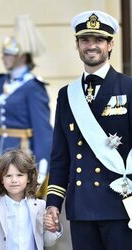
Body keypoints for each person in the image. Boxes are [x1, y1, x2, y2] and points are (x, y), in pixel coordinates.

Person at [45, 10, 132, 250]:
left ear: (110, 44)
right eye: (85, 40)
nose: (91, 46)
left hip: (121, 205)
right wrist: (53, 203)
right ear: (77, 45)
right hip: (82, 208)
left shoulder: (129, 88)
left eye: (98, 40)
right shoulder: (66, 95)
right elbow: (60, 157)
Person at [0, 15, 53, 197]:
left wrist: (42, 166)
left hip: (22, 156)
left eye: (8, 54)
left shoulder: (33, 87)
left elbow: (43, 130)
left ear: (21, 57)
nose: (3, 57)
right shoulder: (2, 82)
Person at [0, 149, 62, 249]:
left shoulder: (41, 206)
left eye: (19, 175)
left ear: (29, 178)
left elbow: (48, 242)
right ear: (1, 179)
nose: (14, 180)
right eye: (8, 176)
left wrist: (53, 228)